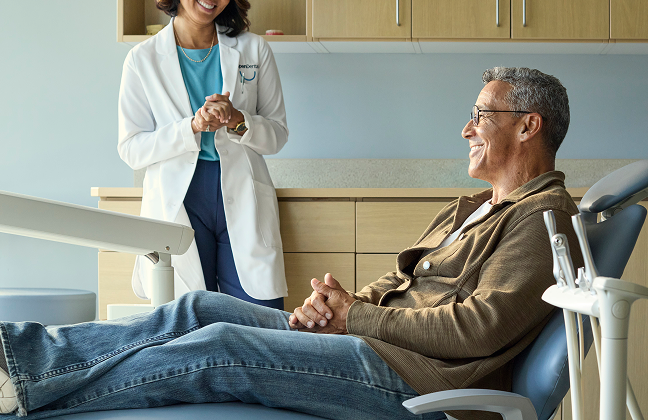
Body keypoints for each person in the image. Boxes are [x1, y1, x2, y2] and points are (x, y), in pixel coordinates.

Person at [0, 67, 583, 420]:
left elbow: (478, 328)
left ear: (527, 126)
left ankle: (29, 395)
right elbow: (407, 285)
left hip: (413, 381)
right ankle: (19, 357)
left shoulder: (541, 220)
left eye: (481, 115)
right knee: (198, 308)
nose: (466, 129)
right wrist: (341, 307)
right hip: (373, 347)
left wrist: (357, 319)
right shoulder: (475, 208)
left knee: (221, 346)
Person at [117, 0, 289, 310]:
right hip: (181, 197)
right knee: (187, 323)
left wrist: (238, 120)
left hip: (241, 193)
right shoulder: (142, 59)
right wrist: (190, 127)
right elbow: (132, 148)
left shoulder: (252, 49)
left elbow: (276, 134)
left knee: (260, 323)